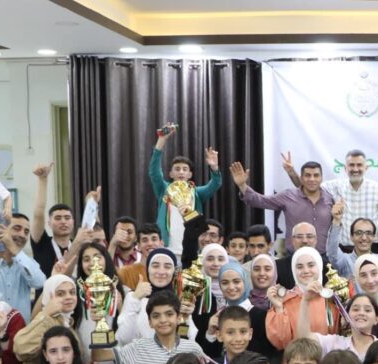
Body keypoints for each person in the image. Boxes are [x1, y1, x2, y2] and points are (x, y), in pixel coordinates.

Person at [234, 157, 335, 254]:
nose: (312, 179)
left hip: (324, 257)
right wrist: (242, 185)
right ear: (301, 178)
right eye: (307, 175)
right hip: (293, 257)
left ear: (321, 178)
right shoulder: (288, 196)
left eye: (316, 175)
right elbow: (261, 201)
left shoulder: (330, 198)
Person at [149, 124, 222, 252]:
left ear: (190, 175)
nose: (181, 172)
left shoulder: (196, 192)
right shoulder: (164, 189)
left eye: (184, 169)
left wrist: (214, 168)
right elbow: (154, 172)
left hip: (191, 248)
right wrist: (161, 140)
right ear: (171, 174)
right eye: (177, 169)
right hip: (166, 247)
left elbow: (215, 185)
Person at [116, 248, 198, 345]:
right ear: (148, 269)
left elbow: (187, 342)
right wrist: (135, 300)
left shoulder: (179, 299)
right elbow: (124, 339)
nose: (161, 271)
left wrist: (185, 318)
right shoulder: (134, 296)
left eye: (167, 267)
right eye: (155, 266)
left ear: (174, 271)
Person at [13, 275, 79, 364]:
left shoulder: (67, 321)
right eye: (60, 294)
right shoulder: (46, 320)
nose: (68, 297)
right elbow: (20, 347)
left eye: (72, 292)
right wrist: (46, 313)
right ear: (48, 296)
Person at [31, 163, 82, 280]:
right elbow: (38, 213)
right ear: (49, 223)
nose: (63, 221)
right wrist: (43, 179)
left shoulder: (79, 245)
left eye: (67, 218)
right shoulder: (42, 243)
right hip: (46, 291)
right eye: (58, 218)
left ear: (73, 222)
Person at [298, 290, 378, 361]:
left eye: (367, 310)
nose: (361, 313)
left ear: (376, 319)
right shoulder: (335, 343)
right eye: (356, 309)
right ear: (346, 316)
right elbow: (306, 339)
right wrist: (305, 301)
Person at [326, 210, 378, 279]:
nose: (364, 238)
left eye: (368, 233)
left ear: (374, 237)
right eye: (359, 233)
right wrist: (336, 221)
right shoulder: (345, 261)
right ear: (351, 237)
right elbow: (332, 251)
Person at [276, 224, 329, 290]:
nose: (304, 241)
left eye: (309, 236)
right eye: (299, 237)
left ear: (315, 240)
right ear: (293, 240)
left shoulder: (328, 267)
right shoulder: (278, 267)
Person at [117, 224, 164, 291]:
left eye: (154, 239)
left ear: (161, 244)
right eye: (145, 240)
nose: (150, 243)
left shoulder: (168, 272)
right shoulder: (126, 273)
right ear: (138, 246)